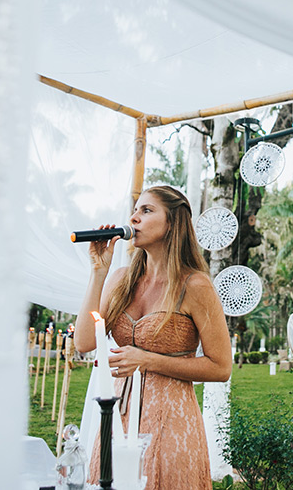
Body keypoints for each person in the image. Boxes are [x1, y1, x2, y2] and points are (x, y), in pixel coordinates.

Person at [74, 185, 232, 490]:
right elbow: (83, 342)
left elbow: (220, 367)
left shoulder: (195, 285)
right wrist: (98, 272)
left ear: (172, 222)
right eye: (135, 210)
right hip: (117, 418)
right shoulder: (121, 279)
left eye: (146, 211)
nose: (134, 218)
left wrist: (146, 360)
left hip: (172, 421)